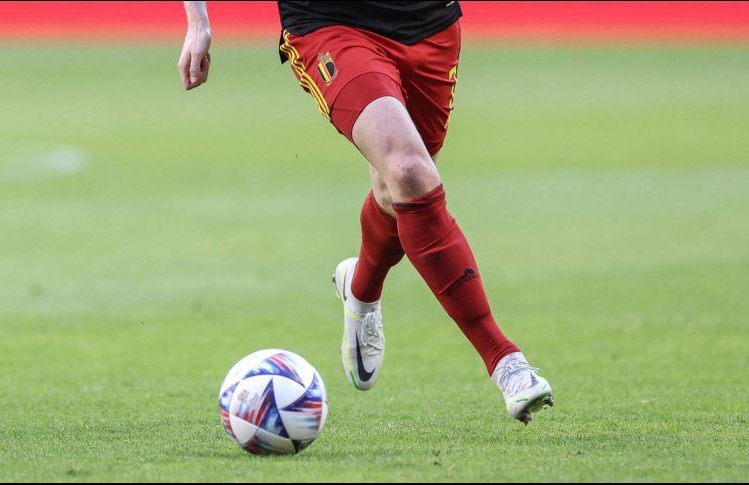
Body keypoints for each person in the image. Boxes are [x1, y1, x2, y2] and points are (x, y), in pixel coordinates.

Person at [178, 1, 554, 424]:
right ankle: (506, 362)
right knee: (408, 169)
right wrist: (198, 21)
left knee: (398, 192)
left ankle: (361, 286)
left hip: (429, 25)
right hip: (330, 23)